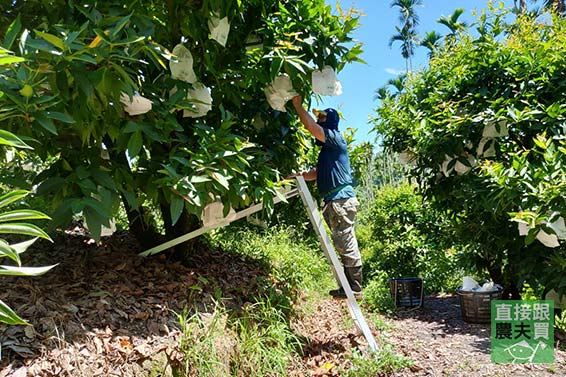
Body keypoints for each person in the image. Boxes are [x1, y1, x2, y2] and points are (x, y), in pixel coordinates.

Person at [289, 95, 362, 298]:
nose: (318, 121)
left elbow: (312, 128)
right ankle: (349, 287)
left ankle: (355, 288)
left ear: (328, 121)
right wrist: (296, 177)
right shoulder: (328, 151)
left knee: (345, 242)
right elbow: (314, 173)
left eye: (321, 118)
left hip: (340, 200)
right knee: (342, 243)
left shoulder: (334, 138)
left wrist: (297, 105)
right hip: (335, 201)